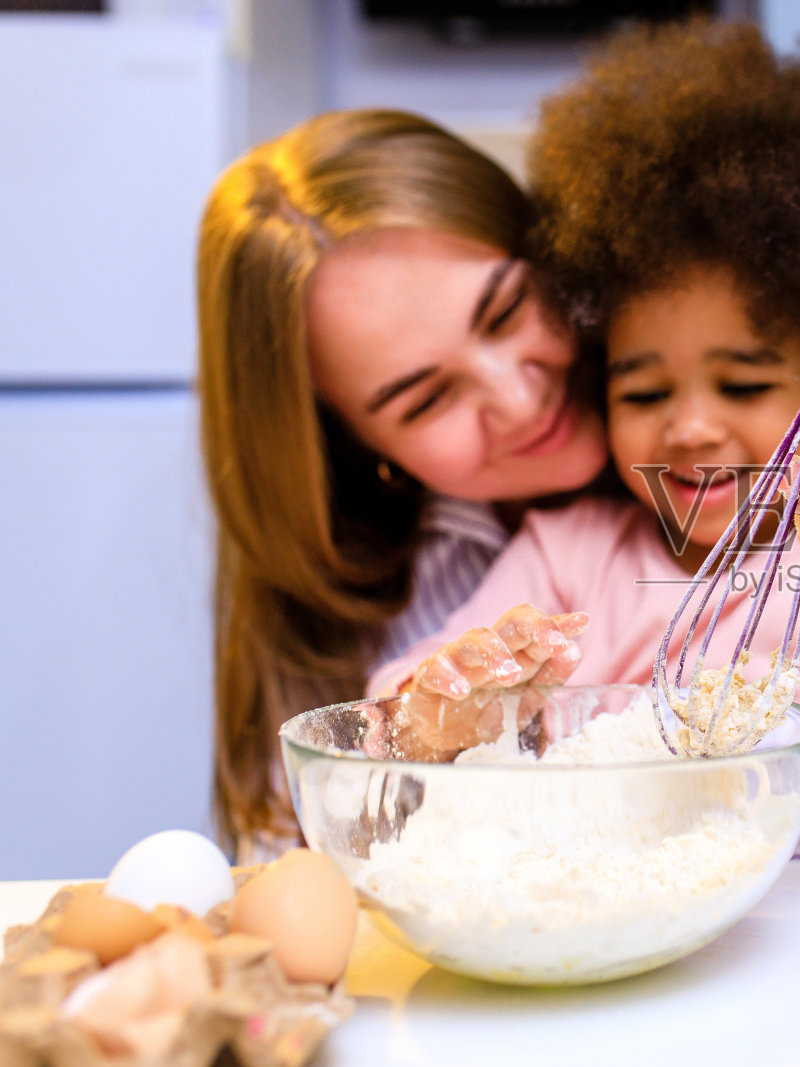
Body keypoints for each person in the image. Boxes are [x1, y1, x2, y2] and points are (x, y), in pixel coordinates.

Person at [371, 20, 800, 856]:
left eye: (742, 384)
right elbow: (400, 723)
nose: (692, 426)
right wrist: (462, 689)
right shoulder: (566, 552)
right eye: (644, 390)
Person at [196, 110, 605, 859]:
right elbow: (303, 873)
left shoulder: (748, 448)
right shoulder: (358, 614)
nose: (518, 399)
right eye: (425, 401)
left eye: (509, 309)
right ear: (354, 447)